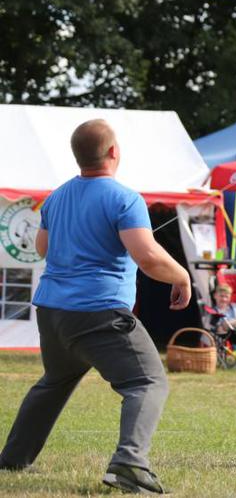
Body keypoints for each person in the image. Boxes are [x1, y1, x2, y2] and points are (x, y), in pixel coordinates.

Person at [0, 119, 192, 494]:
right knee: (146, 381)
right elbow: (147, 257)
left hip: (52, 312)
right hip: (99, 310)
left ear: (78, 155)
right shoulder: (125, 199)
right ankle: (129, 464)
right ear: (114, 152)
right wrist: (182, 276)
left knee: (55, 381)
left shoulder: (56, 197)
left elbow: (42, 248)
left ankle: (13, 458)